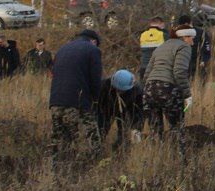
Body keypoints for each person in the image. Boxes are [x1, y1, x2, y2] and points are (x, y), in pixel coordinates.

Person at [47, 30, 104, 158]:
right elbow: (95, 78)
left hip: (56, 100)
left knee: (58, 136)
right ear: (94, 41)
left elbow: (53, 72)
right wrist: (95, 99)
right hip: (77, 101)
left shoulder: (62, 49)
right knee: (88, 135)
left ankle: (55, 165)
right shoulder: (92, 50)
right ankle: (93, 165)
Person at [144, 26, 196, 150]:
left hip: (149, 90)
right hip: (168, 89)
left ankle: (156, 159)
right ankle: (178, 160)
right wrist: (187, 95)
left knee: (155, 131)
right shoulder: (184, 47)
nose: (193, 42)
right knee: (177, 128)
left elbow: (147, 73)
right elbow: (179, 72)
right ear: (185, 37)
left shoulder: (161, 47)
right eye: (191, 39)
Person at [97, 69, 144, 149]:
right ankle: (97, 147)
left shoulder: (137, 91)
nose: (119, 92)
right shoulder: (104, 86)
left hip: (126, 109)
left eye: (122, 91)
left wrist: (136, 131)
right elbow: (98, 106)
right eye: (117, 90)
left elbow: (138, 114)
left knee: (124, 133)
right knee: (101, 128)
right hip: (107, 109)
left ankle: (119, 150)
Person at [176, 14, 210, 80]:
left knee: (200, 82)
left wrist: (204, 60)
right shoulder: (177, 33)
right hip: (182, 64)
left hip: (198, 64)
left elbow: (206, 47)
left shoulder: (200, 33)